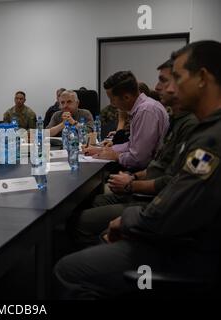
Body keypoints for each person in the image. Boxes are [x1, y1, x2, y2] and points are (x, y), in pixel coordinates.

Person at [55, 40, 221, 299]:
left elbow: (177, 202)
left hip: (187, 249)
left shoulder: (211, 140)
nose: (165, 88)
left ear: (202, 78)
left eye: (176, 77)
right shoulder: (205, 128)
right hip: (181, 233)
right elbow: (178, 189)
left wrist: (129, 220)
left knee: (68, 270)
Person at [69, 59, 199, 249]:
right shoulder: (160, 114)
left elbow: (142, 158)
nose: (157, 87)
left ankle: (105, 259)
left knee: (81, 219)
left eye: (164, 81)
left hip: (153, 201)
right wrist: (109, 151)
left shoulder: (151, 111)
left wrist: (127, 176)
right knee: (91, 201)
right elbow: (149, 156)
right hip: (148, 187)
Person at [83, 71, 169, 171]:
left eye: (112, 99)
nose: (112, 104)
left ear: (127, 97)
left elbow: (139, 159)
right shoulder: (143, 107)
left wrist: (116, 156)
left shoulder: (146, 111)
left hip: (149, 172)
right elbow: (132, 145)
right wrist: (103, 150)